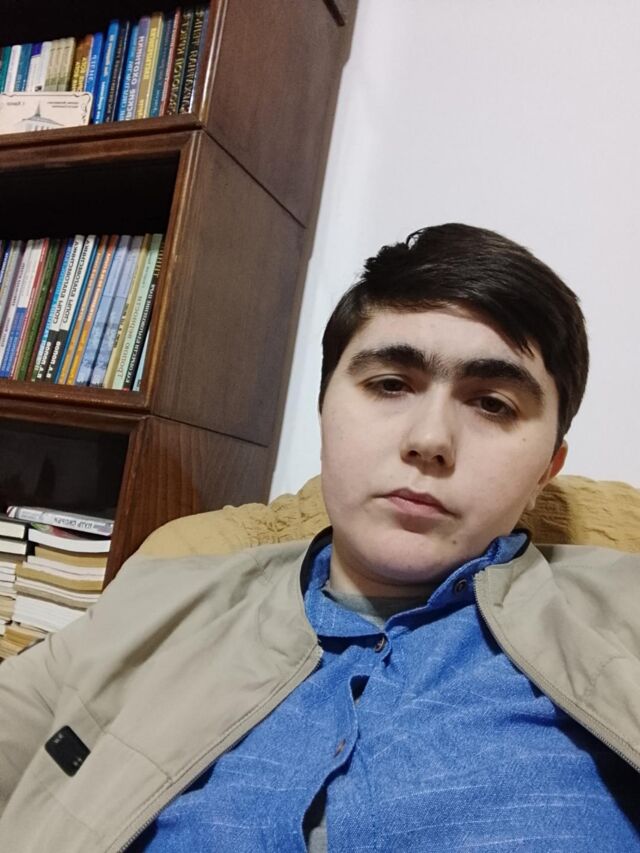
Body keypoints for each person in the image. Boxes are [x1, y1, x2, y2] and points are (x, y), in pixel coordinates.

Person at [1, 223, 638, 852]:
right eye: (390, 384)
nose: (430, 440)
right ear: (324, 410)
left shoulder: (624, 612)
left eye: (493, 403)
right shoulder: (157, 598)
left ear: (546, 471)